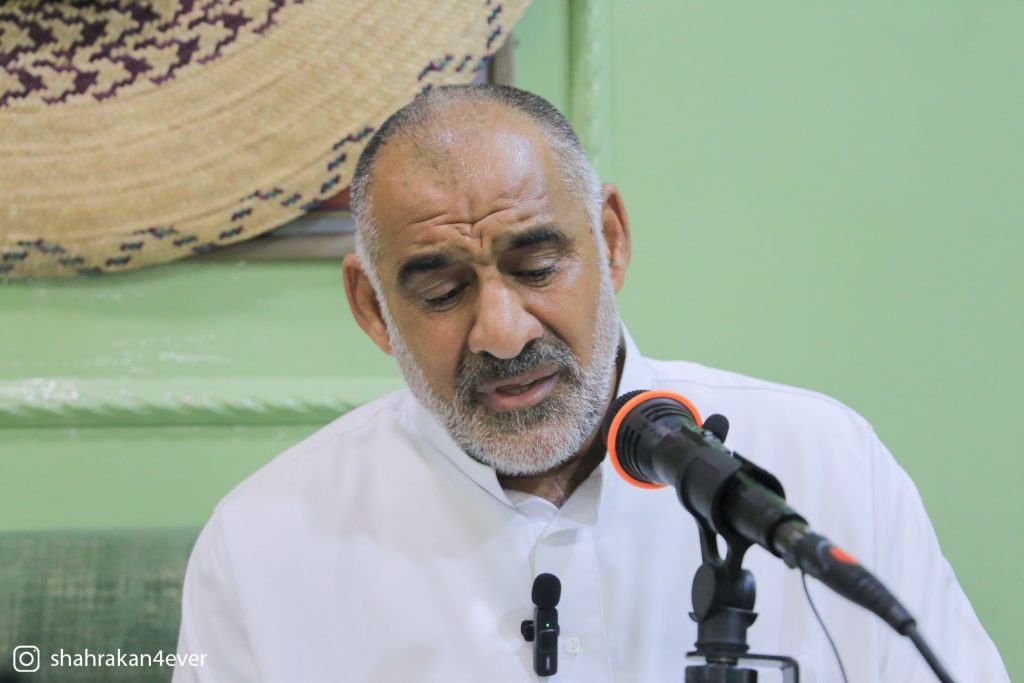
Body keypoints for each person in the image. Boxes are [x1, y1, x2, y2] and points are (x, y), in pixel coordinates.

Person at [172, 85, 1008, 682]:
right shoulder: (263, 543)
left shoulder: (827, 463)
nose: (503, 331)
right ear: (372, 307)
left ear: (609, 241)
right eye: (443, 290)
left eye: (537, 265)